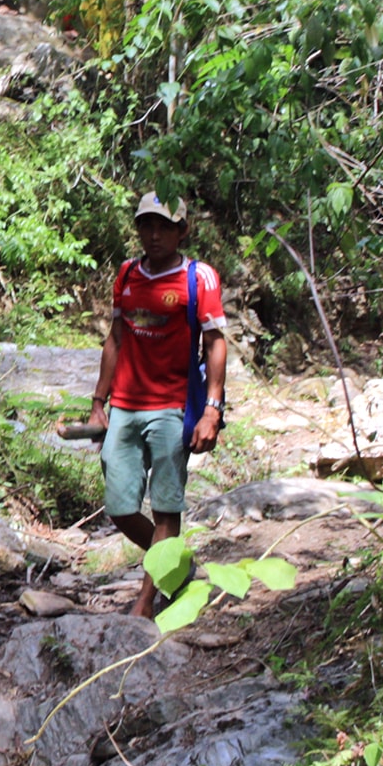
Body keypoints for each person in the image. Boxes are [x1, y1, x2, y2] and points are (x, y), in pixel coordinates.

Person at [65, 193, 229, 617]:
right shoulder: (126, 274)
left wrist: (212, 410)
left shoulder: (199, 278)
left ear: (182, 231)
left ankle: (145, 601)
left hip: (173, 408)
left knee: (165, 505)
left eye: (164, 227)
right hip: (124, 406)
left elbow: (214, 342)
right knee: (120, 508)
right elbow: (116, 338)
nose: (154, 235)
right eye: (146, 226)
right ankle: (176, 564)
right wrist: (98, 403)